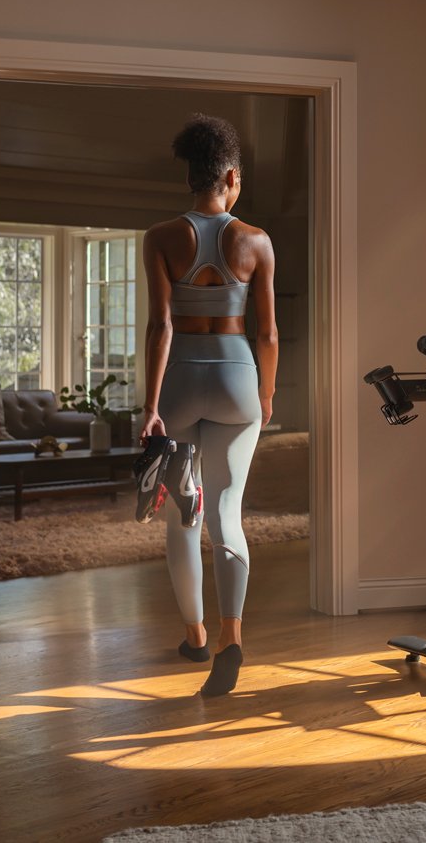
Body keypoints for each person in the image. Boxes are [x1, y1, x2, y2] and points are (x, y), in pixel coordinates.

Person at [139, 113, 278, 697]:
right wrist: (266, 396)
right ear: (230, 176)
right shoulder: (255, 240)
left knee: (181, 518)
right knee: (226, 513)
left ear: (193, 177)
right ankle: (230, 636)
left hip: (178, 386)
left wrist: (151, 406)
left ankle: (194, 634)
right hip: (236, 381)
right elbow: (267, 334)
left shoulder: (162, 238)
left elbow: (160, 326)